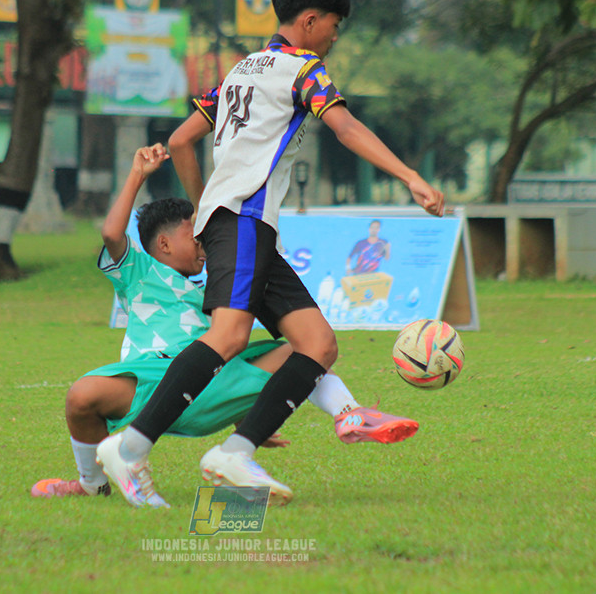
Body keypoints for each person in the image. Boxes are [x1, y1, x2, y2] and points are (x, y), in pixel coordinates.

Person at [96, 0, 444, 508]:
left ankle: (236, 453)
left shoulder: (240, 71)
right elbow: (346, 126)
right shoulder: (304, 69)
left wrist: (203, 209)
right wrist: (411, 177)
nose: (334, 35)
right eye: (333, 23)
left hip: (237, 225)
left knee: (318, 344)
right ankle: (132, 446)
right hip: (243, 223)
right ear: (309, 20)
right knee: (229, 337)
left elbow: (182, 140)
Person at [34, 144, 418, 502]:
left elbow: (223, 352)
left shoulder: (216, 285)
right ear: (164, 244)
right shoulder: (137, 270)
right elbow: (110, 233)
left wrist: (248, 416)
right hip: (151, 380)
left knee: (306, 350)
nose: (203, 244)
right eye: (193, 234)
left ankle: (349, 412)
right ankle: (91, 485)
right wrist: (137, 174)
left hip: (211, 383)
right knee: (80, 396)